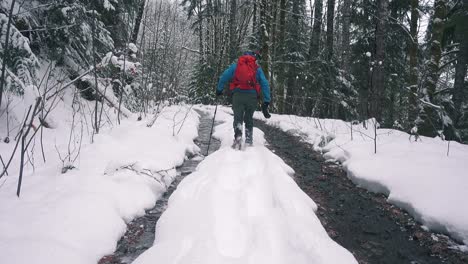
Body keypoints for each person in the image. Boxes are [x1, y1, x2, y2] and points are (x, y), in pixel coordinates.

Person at [216, 51, 271, 147]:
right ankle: (249, 141)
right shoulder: (257, 68)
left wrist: (219, 89)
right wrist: (266, 101)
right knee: (249, 118)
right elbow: (265, 84)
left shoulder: (236, 66)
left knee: (238, 117)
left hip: (238, 95)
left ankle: (238, 138)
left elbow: (224, 76)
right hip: (252, 97)